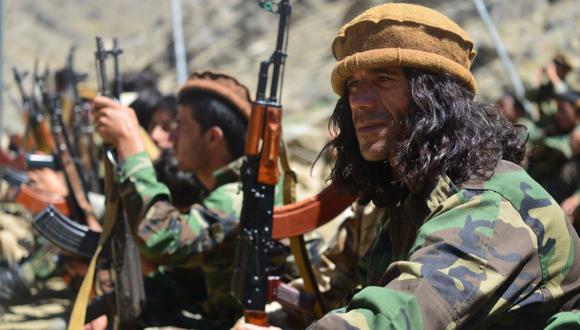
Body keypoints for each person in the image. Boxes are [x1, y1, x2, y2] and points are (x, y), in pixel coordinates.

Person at [93, 71, 285, 328]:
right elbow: (192, 280)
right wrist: (111, 303)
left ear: (213, 137)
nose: (171, 139)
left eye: (181, 127)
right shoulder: (228, 189)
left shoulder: (238, 197)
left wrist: (130, 145)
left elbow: (161, 238)